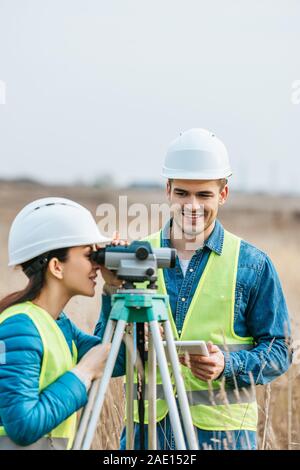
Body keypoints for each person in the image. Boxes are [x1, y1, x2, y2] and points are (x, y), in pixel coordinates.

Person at [96, 128, 292, 450]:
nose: (192, 205)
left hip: (224, 438)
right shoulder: (134, 258)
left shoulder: (252, 264)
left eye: (204, 195)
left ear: (223, 194)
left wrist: (228, 366)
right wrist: (114, 294)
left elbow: (280, 350)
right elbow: (108, 357)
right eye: (183, 193)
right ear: (168, 190)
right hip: (148, 436)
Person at [0, 197, 111, 450]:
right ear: (56, 267)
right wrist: (82, 373)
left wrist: (115, 290)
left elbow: (112, 357)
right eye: (89, 255)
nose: (97, 264)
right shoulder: (19, 327)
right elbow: (22, 426)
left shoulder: (58, 324)